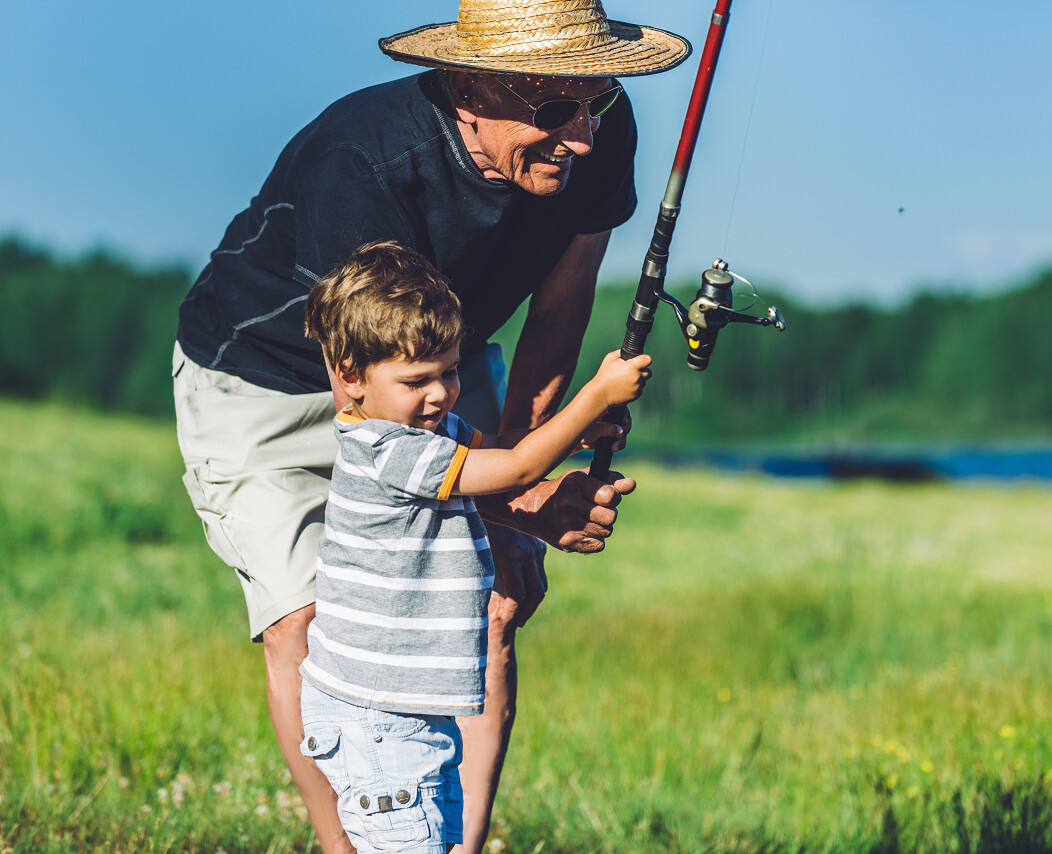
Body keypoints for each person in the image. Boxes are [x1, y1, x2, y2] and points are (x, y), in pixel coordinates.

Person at [172, 0, 689, 851]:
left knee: (495, 596)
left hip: (435, 368)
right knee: (308, 624)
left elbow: (561, 304)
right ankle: (346, 846)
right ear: (466, 89)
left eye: (595, 102)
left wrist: (523, 489)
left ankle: (459, 844)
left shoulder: (601, 131)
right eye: (555, 110)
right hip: (273, 383)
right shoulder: (362, 163)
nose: (585, 136)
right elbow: (387, 433)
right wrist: (517, 497)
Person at [296, 242, 651, 853]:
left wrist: (582, 430)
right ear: (350, 377)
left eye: (451, 371)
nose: (440, 394)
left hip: (400, 712)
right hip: (379, 723)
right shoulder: (391, 451)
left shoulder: (428, 431)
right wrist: (594, 394)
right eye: (416, 380)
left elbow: (500, 454)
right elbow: (517, 467)